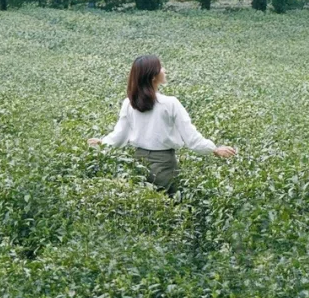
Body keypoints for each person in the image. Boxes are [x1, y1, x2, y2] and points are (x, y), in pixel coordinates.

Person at [88, 53, 236, 194]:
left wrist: (103, 143)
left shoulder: (129, 103)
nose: (164, 71)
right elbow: (190, 136)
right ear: (153, 76)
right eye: (161, 68)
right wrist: (214, 149)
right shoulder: (170, 103)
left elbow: (119, 135)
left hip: (138, 163)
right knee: (167, 204)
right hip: (164, 164)